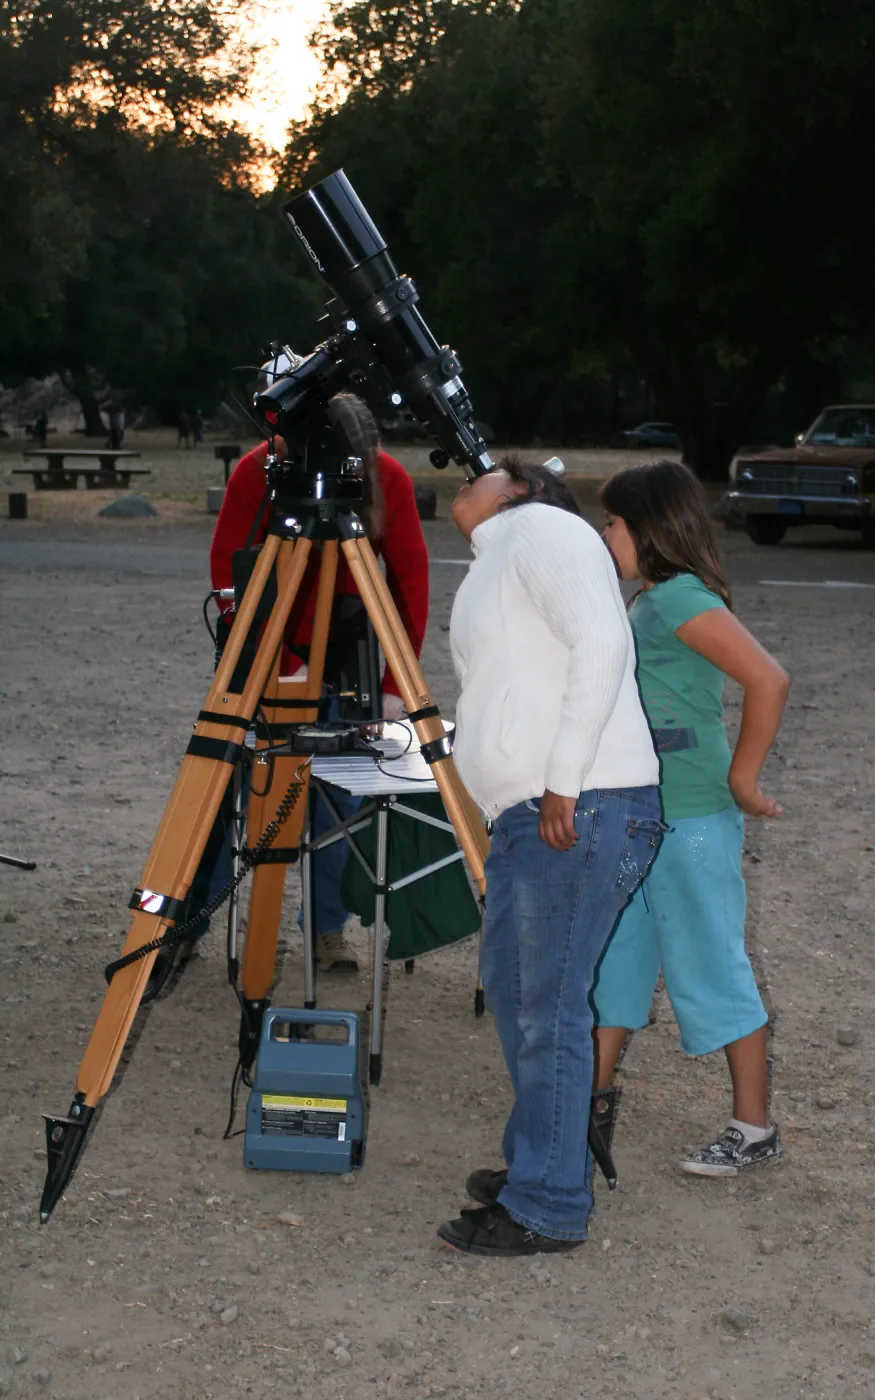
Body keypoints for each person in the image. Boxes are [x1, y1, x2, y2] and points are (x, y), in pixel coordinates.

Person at [436, 457, 662, 1258]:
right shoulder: (502, 553)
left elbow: (602, 642)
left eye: (488, 473)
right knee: (522, 996)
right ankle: (543, 1160)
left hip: (575, 806)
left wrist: (563, 780)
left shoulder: (542, 528)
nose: (466, 479)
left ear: (525, 490)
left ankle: (548, 1204)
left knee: (546, 1008)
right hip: (542, 813)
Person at [592, 460, 790, 1176]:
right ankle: (586, 1106)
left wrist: (742, 778)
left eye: (613, 522)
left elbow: (767, 678)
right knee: (614, 961)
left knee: (711, 963)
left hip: (691, 820)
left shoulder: (676, 596)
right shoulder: (654, 598)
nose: (603, 534)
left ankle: (753, 1129)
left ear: (649, 527)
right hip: (645, 816)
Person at [200, 391, 430, 972]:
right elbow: (229, 570)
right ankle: (187, 920)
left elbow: (409, 579)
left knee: (339, 800)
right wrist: (280, 664)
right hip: (265, 648)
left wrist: (395, 682)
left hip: (346, 649)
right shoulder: (260, 471)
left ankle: (327, 926)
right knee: (229, 787)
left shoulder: (387, 476)